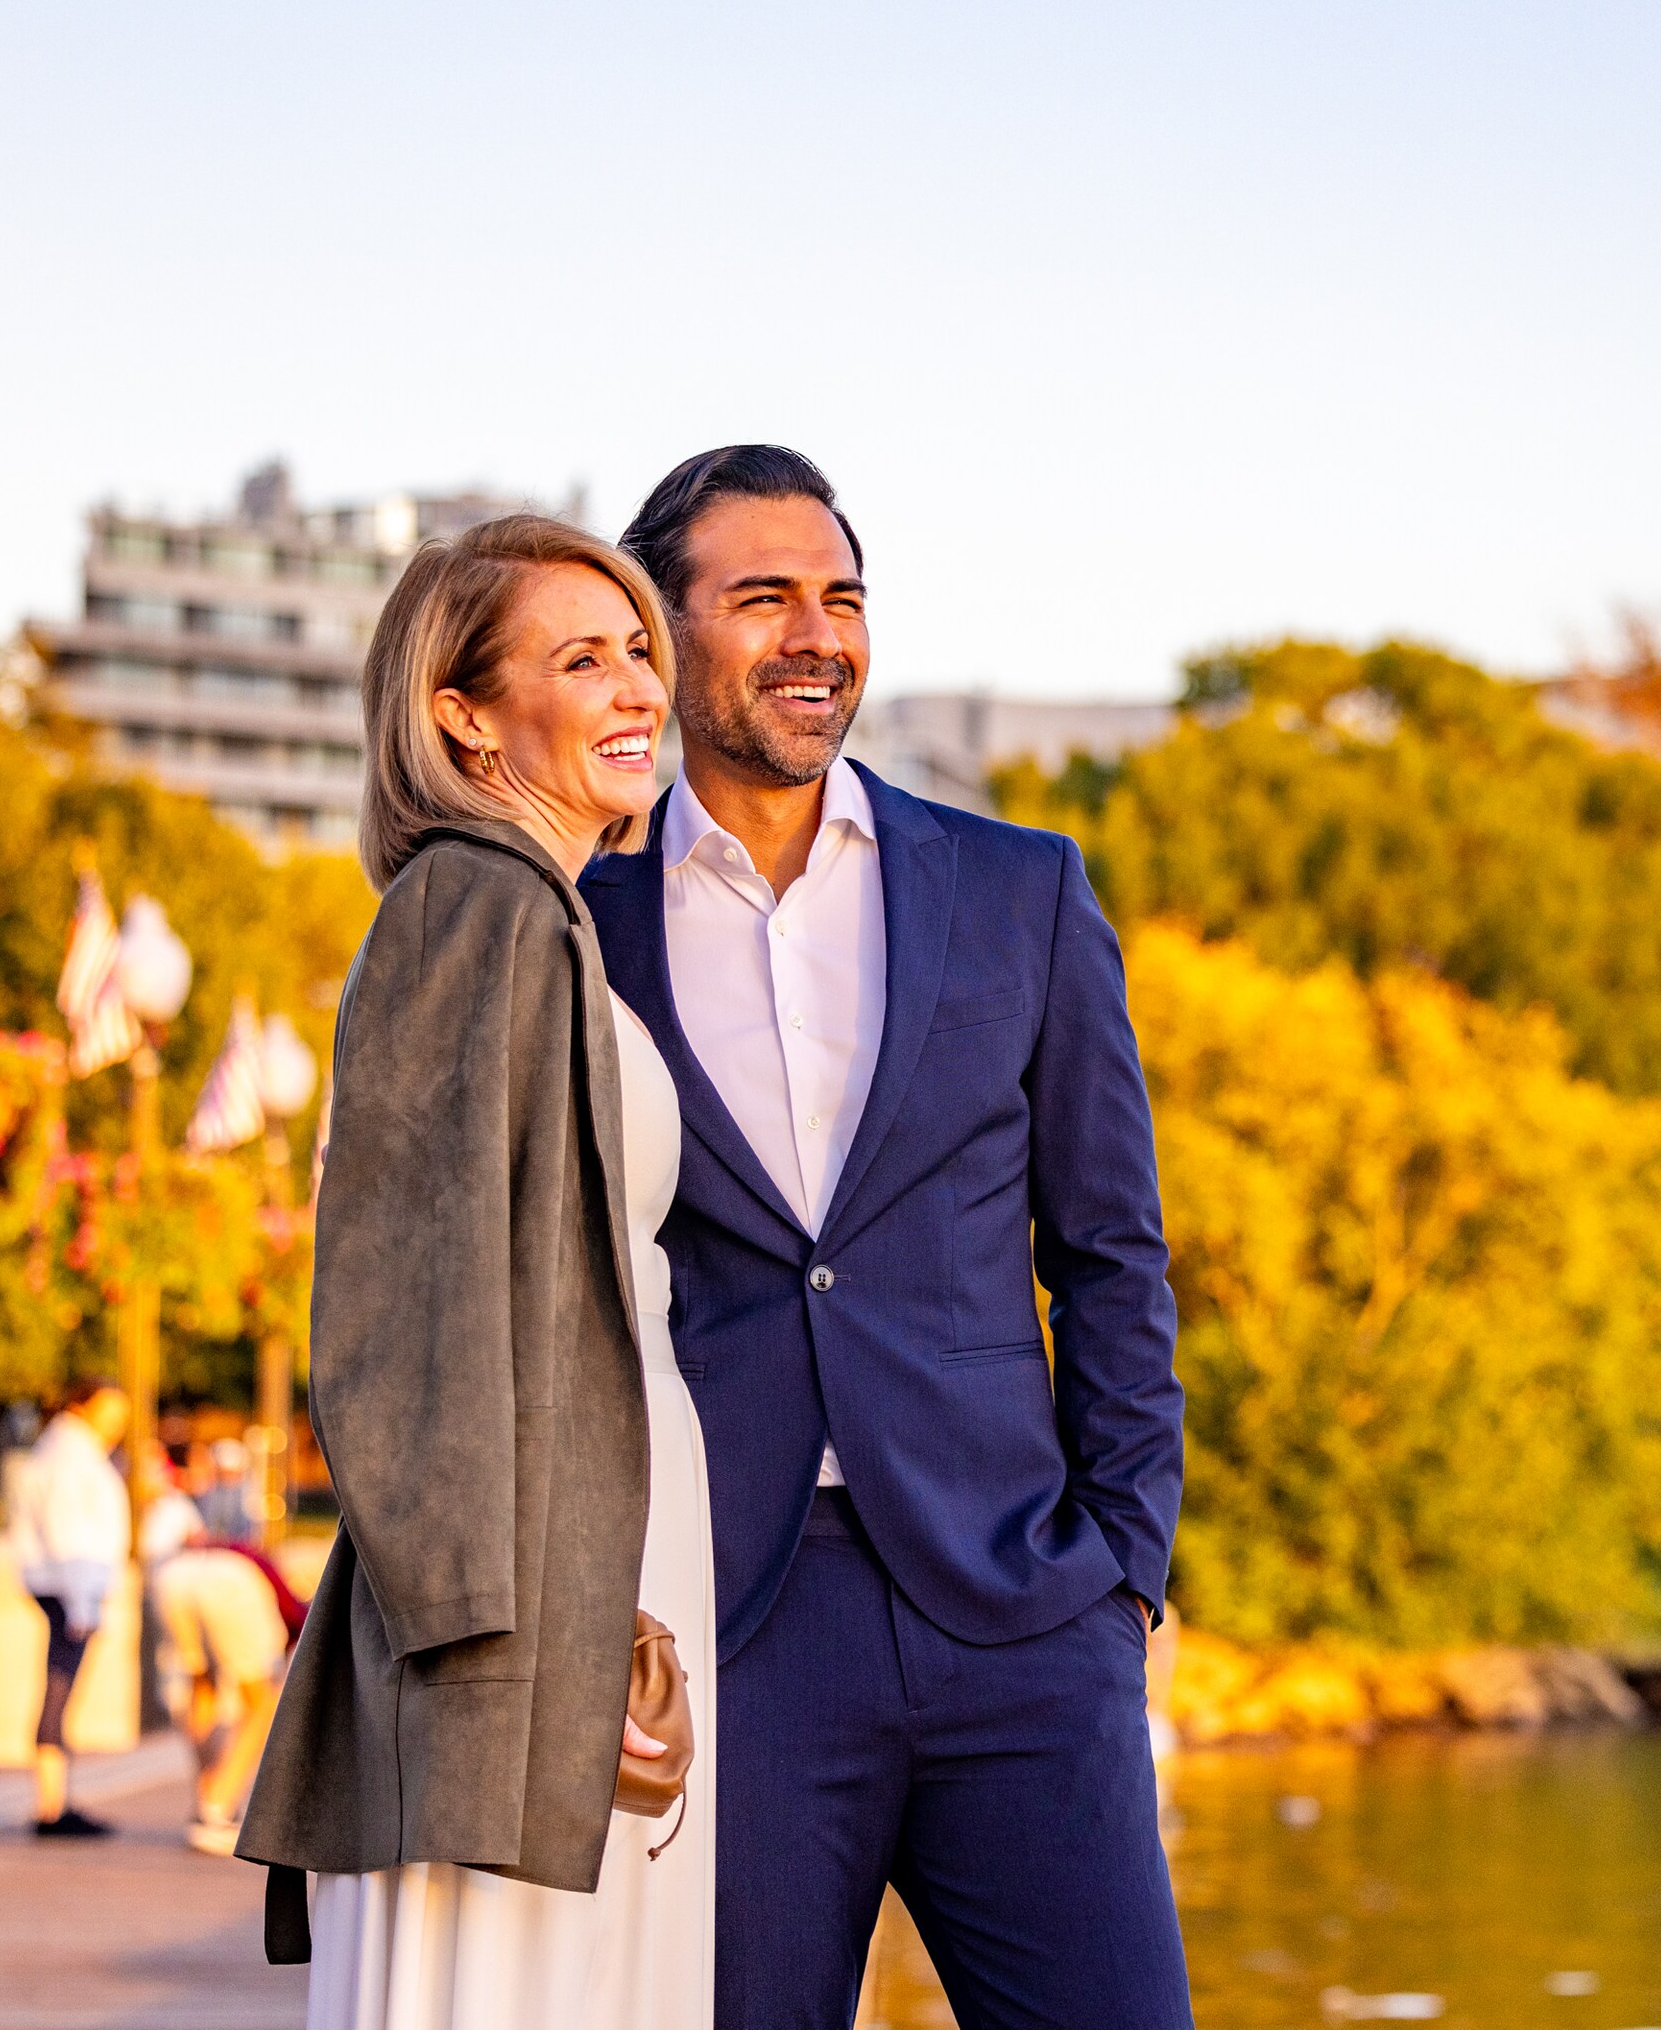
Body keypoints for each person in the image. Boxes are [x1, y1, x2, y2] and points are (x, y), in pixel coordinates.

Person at [589, 448, 1186, 2030]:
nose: (817, 634)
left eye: (842, 597)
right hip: (739, 1628)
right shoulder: (584, 924)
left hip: (1022, 1609)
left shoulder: (1021, 892)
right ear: (657, 630)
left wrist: (1123, 1570)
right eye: (764, 596)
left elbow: (1112, 1249)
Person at [235, 513, 710, 2029]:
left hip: (595, 1574)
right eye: (584, 659)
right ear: (461, 711)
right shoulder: (472, 905)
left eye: (643, 648)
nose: (641, 685)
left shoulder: (544, 917)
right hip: (515, 1640)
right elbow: (400, 1322)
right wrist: (501, 1670)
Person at [14, 1382, 134, 1839]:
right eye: (109, 1410)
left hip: (68, 1586)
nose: (117, 1421)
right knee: (59, 1691)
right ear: (81, 1406)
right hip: (68, 1588)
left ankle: (55, 1799)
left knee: (60, 1690)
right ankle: (51, 1806)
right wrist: (81, 1602)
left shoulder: (70, 1450)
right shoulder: (69, 1456)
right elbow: (66, 1530)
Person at [154, 1539, 292, 1858]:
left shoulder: (237, 1549)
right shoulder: (287, 1598)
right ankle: (216, 1812)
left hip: (175, 1576)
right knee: (264, 1702)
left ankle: (206, 1800)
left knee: (202, 1686)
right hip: (230, 1582)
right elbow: (295, 1627)